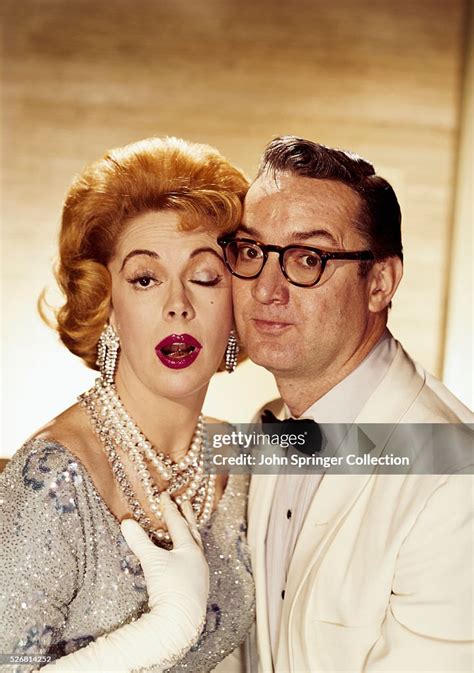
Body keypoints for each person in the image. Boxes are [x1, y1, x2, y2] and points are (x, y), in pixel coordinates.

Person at [0, 137, 255, 672]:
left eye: (205, 277)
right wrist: (166, 628)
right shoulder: (51, 479)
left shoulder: (246, 453)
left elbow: (429, 446)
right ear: (108, 304)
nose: (178, 305)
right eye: (145, 279)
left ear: (235, 305)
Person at [222, 136, 473, 672]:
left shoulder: (456, 478)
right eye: (250, 252)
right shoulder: (267, 431)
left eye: (308, 258)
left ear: (380, 282)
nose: (267, 289)